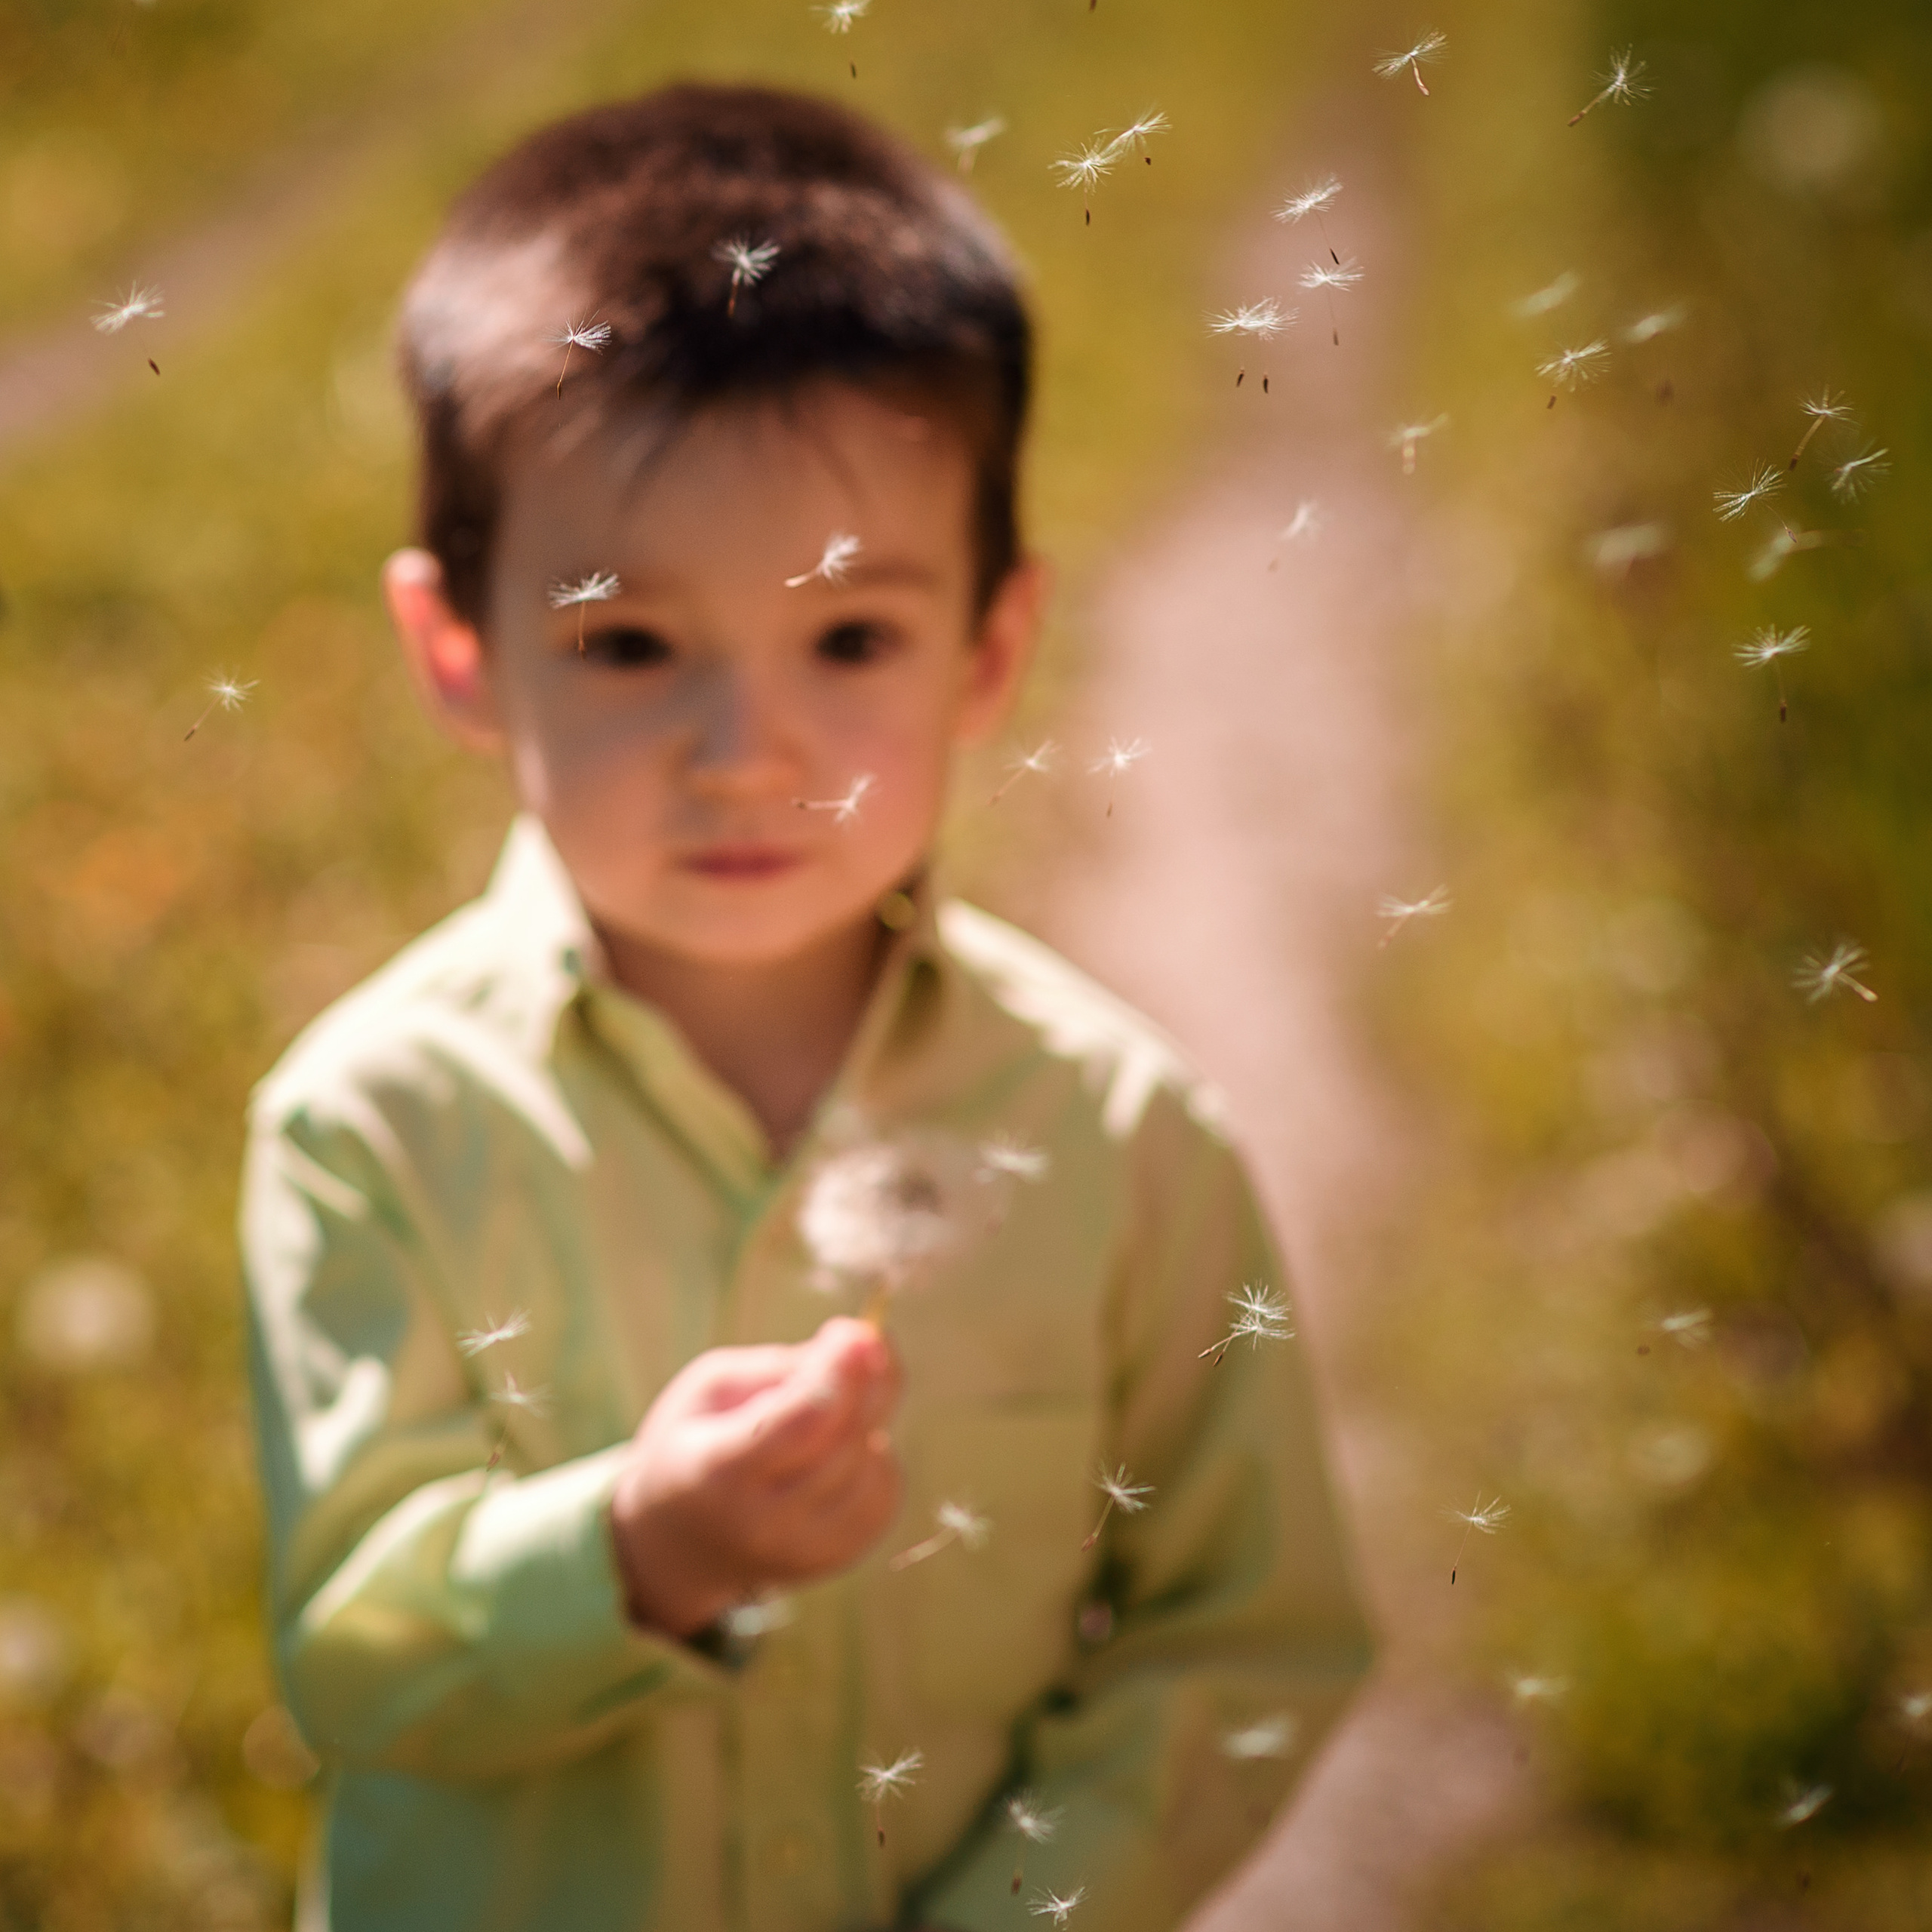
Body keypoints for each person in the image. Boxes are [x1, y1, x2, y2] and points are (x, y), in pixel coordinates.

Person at [241, 82, 1371, 1932]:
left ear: (988, 648)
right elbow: (358, 1653)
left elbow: (1244, 1635)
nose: (743, 753)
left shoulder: (1111, 1126)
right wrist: (630, 1550)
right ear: (458, 649)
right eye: (627, 642)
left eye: (849, 639)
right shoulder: (376, 1120)